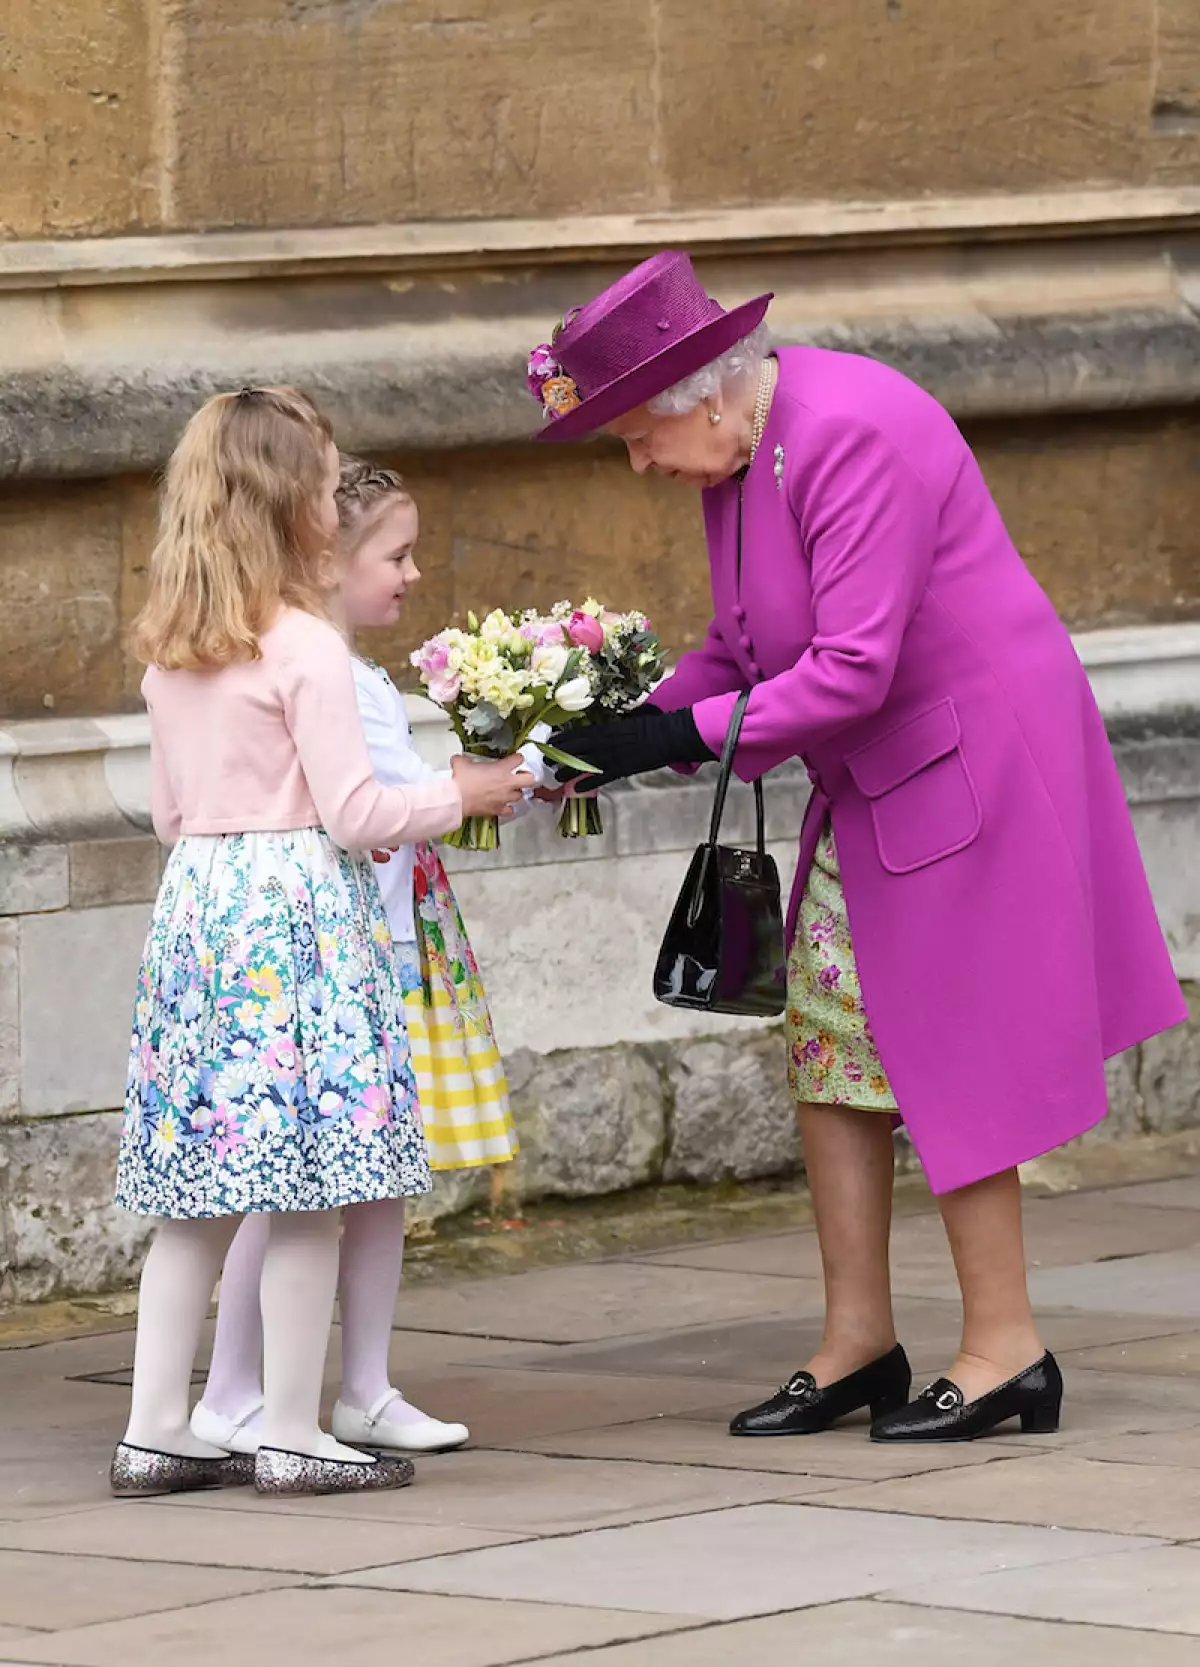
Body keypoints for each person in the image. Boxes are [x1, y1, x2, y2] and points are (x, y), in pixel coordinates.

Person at [527, 251, 1187, 1443]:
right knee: (832, 1038)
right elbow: (741, 652)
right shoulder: (740, 455)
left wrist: (673, 734)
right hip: (876, 771)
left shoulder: (852, 431)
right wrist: (608, 737)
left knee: (949, 1045)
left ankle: (1007, 1350)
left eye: (636, 438)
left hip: (966, 762)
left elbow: (849, 668)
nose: (638, 465)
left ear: (708, 398)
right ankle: (859, 1342)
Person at [112, 388, 529, 1498]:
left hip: (198, 916)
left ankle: (156, 1425)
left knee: (196, 1192)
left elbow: (166, 815)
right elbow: (356, 813)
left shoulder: (170, 652)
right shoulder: (301, 647)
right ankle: (291, 1427)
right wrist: (460, 789)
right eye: (321, 479)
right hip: (297, 922)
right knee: (307, 1187)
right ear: (293, 505)